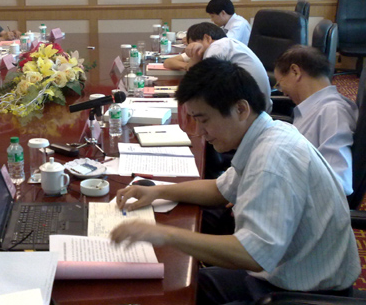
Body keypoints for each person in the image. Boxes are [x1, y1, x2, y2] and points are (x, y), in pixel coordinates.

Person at [111, 58, 360, 304]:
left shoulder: (273, 158)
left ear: (241, 109)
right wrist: (159, 192)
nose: (199, 132)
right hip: (283, 271)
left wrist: (164, 234)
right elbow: (219, 190)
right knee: (182, 284)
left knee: (174, 292)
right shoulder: (267, 134)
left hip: (303, 293)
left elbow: (253, 254)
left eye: (204, 120)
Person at [274, 45, 358, 195]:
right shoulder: (313, 109)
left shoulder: (332, 112)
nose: (283, 92)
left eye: (280, 84)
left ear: (295, 72)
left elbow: (338, 182)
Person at [183, 22, 271, 111]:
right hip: (253, 105)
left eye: (193, 45)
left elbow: (200, 85)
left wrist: (195, 58)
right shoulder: (227, 45)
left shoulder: (217, 46)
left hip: (251, 110)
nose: (191, 49)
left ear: (207, 38)